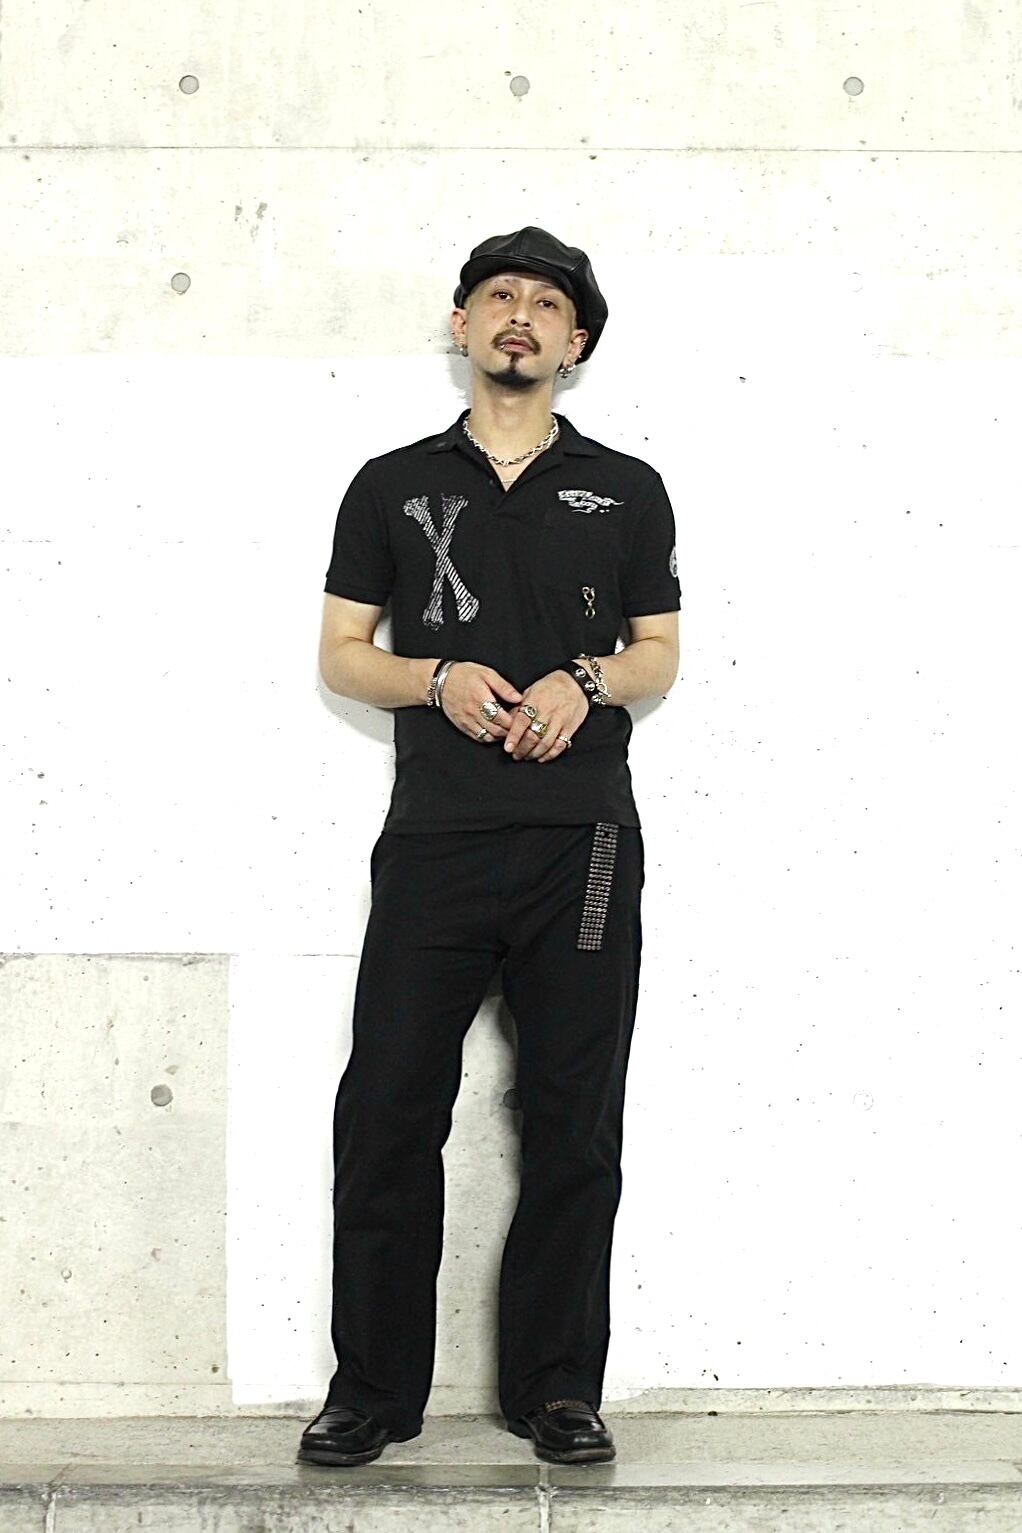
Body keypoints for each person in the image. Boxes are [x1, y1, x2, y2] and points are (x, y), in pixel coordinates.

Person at [297, 226, 680, 1470]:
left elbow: (657, 654)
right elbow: (341, 654)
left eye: (547, 305)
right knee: (387, 1109)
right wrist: (435, 677)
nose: (520, 315)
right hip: (436, 841)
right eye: (498, 296)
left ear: (576, 344)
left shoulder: (625, 488)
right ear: (461, 325)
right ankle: (370, 1393)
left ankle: (557, 1389)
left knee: (573, 1118)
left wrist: (584, 680)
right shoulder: (390, 483)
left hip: (584, 847)